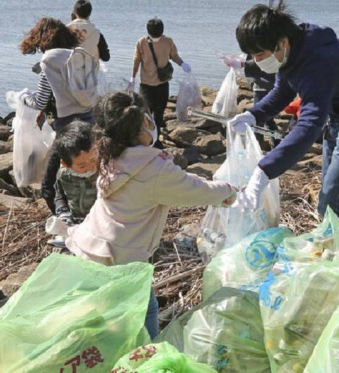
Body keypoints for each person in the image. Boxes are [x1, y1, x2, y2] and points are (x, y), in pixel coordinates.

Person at [60, 91, 235, 338]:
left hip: (90, 243)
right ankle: (148, 352)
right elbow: (194, 191)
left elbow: (176, 181)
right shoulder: (154, 167)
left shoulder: (109, 152)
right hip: (119, 257)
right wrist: (228, 190)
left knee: (106, 315)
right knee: (145, 310)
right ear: (145, 121)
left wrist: (206, 184)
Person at [228, 0, 339, 220]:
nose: (256, 61)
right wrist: (253, 115)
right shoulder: (293, 53)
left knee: (336, 197)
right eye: (253, 55)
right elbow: (282, 92)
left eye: (260, 54)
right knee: (332, 192)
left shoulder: (318, 62)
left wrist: (264, 171)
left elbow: (309, 125)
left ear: (282, 43)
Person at [17, 17, 99, 215]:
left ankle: (65, 222)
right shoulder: (79, 55)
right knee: (92, 176)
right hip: (91, 122)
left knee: (50, 185)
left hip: (67, 128)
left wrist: (22, 97)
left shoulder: (48, 61)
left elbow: (40, 102)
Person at [131, 18, 191, 147]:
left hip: (147, 85)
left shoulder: (142, 42)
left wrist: (133, 77)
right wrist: (182, 64)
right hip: (161, 85)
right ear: (162, 30)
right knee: (158, 114)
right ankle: (155, 140)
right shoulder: (167, 41)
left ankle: (149, 140)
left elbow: (136, 61)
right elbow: (174, 56)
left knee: (146, 113)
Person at [46, 121, 98, 248]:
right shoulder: (64, 174)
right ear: (66, 164)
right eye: (82, 166)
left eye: (93, 159)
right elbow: (59, 194)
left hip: (99, 221)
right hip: (75, 220)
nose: (91, 166)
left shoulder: (104, 172)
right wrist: (63, 212)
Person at [223, 54, 281, 148]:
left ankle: (258, 146)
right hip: (269, 85)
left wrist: (242, 64)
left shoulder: (266, 51)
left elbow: (263, 60)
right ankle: (276, 144)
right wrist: (242, 60)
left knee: (259, 119)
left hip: (262, 87)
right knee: (268, 119)